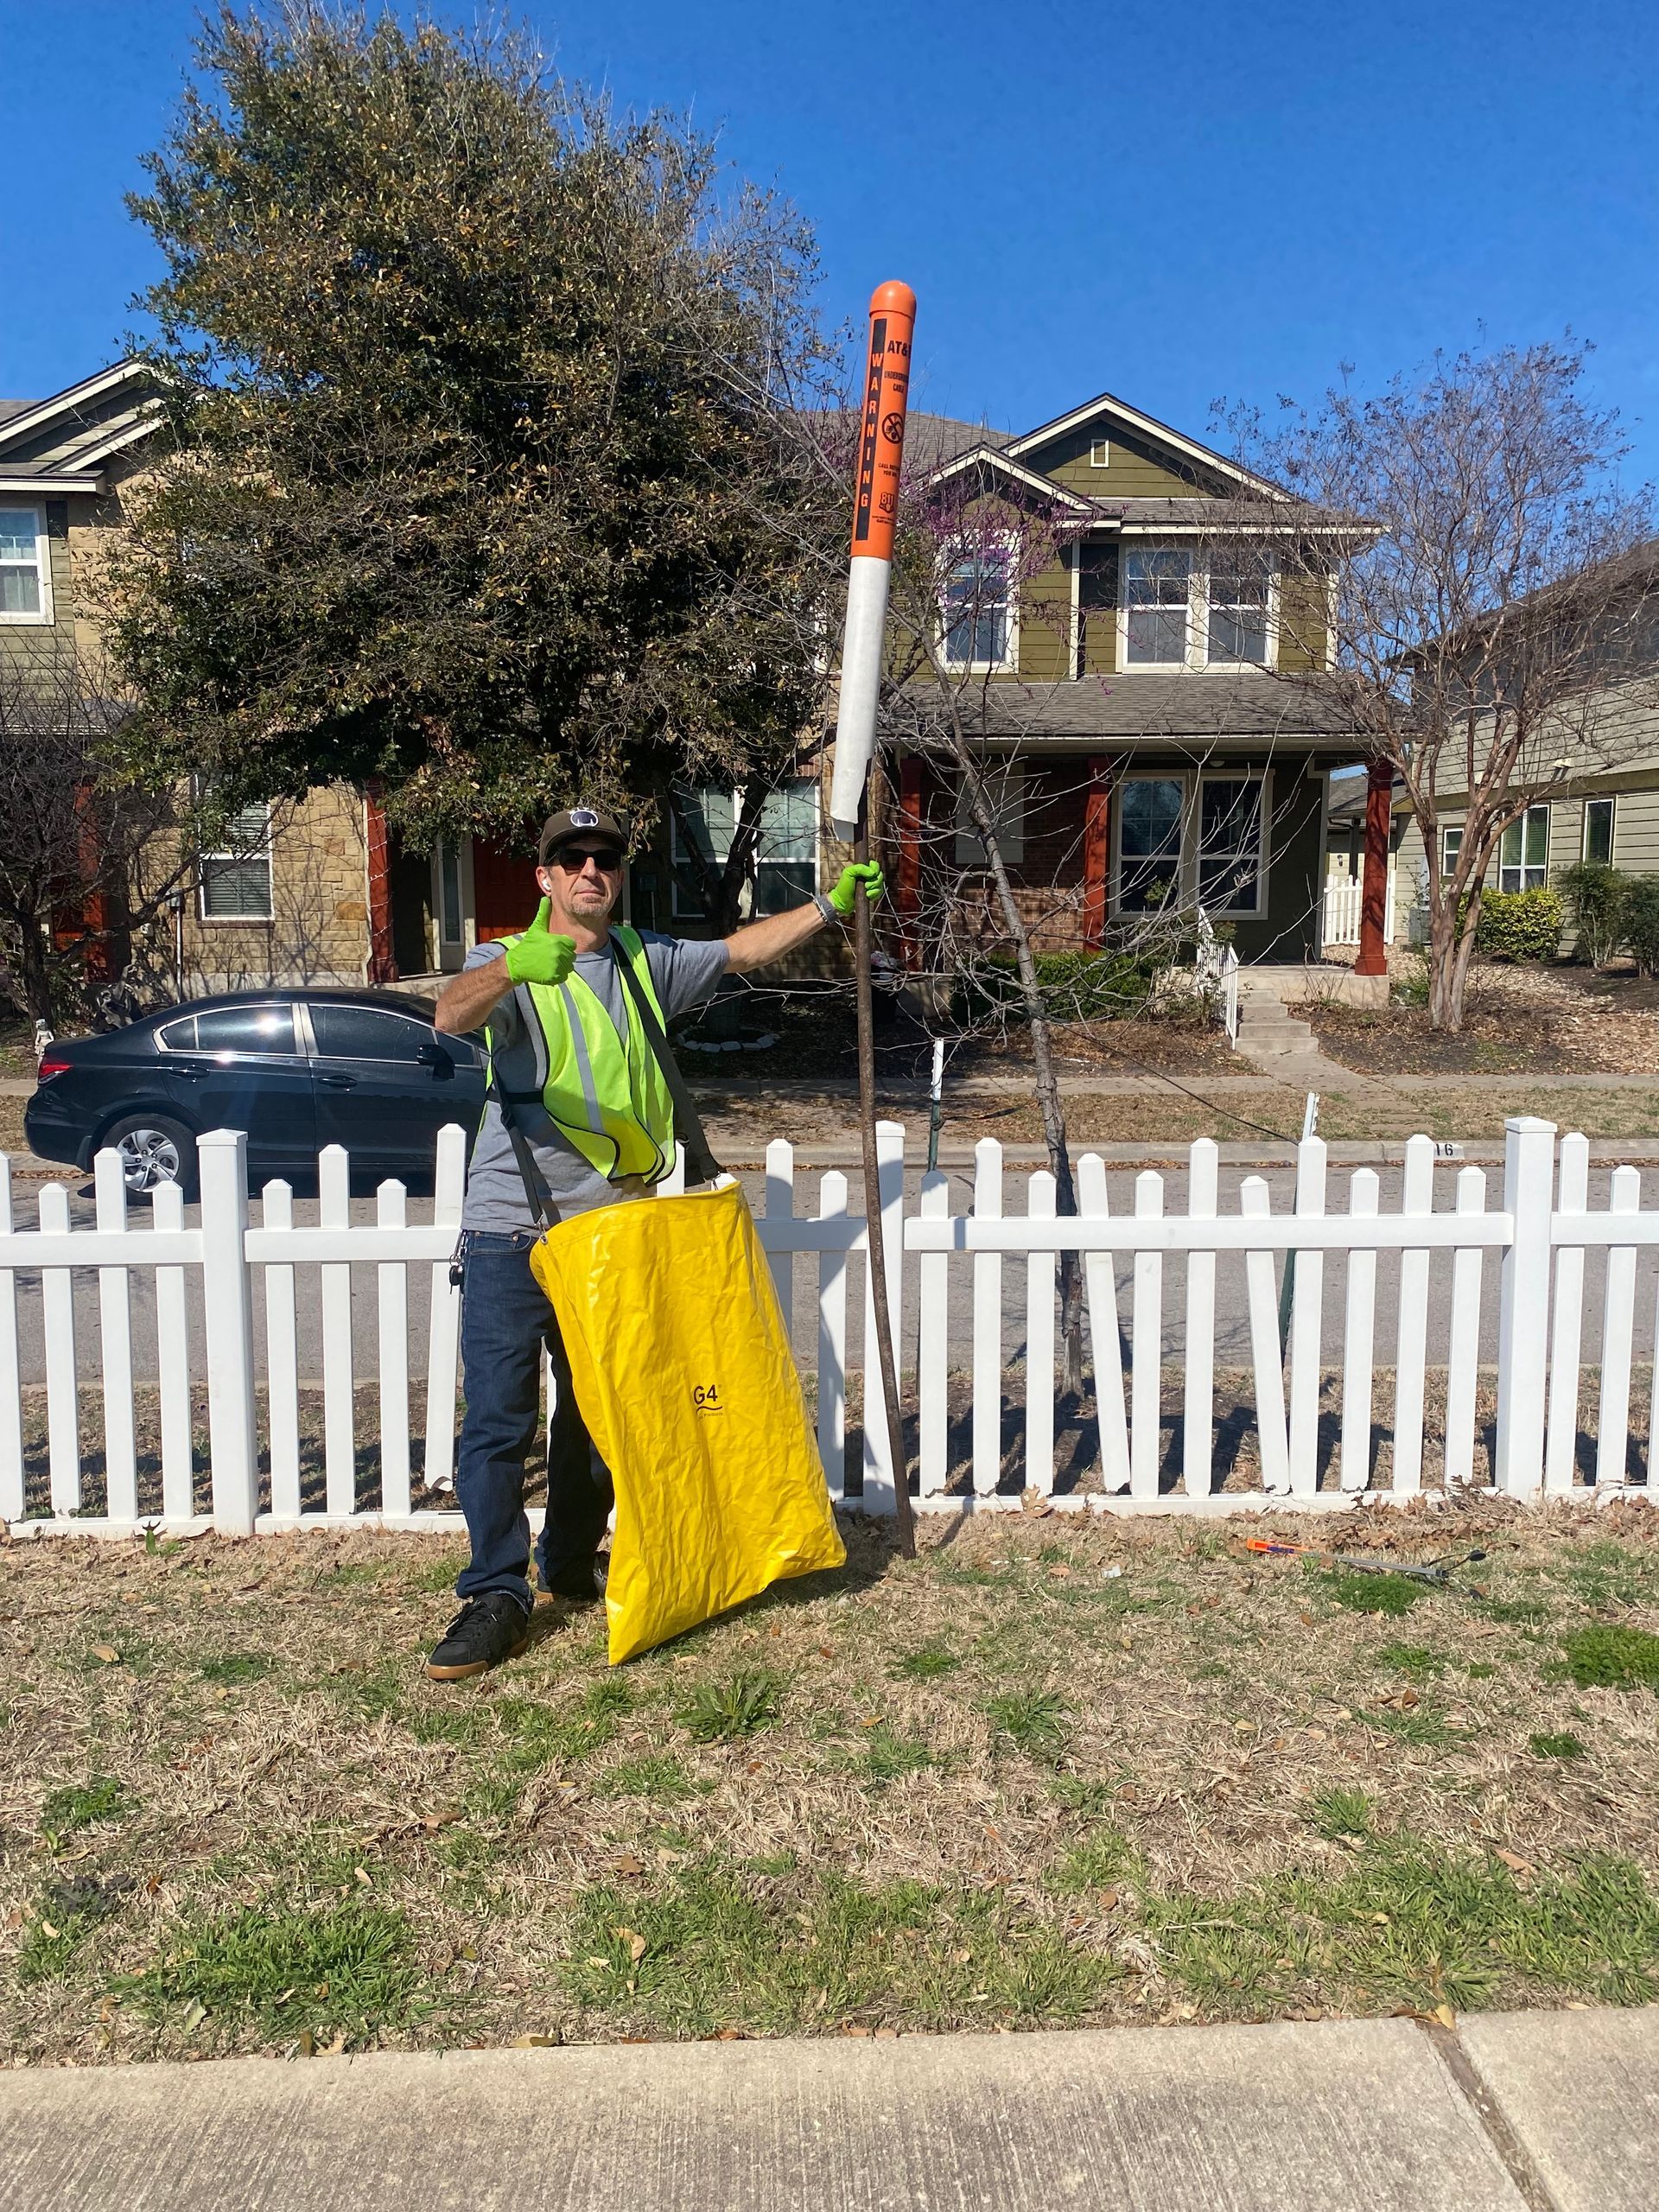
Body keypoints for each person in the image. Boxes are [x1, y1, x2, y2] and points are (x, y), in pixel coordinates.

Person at [424, 804, 884, 1681]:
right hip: (508, 1230)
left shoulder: (642, 961)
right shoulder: (505, 958)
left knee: (600, 1425)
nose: (590, 870)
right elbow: (448, 1015)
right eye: (572, 858)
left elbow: (742, 950)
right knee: (497, 1420)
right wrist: (512, 969)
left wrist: (829, 905)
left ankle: (563, 1561)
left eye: (603, 858)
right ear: (546, 877)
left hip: (611, 1234)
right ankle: (494, 1593)